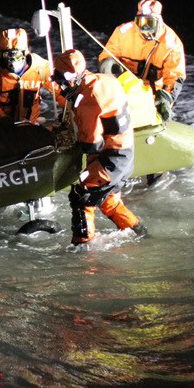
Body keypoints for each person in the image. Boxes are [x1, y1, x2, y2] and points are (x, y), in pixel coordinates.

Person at [53, 48, 147, 244]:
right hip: (125, 153)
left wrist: (69, 139)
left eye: (61, 82)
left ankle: (82, 246)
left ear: (72, 79)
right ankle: (139, 233)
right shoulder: (104, 80)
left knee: (81, 195)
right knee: (109, 200)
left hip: (109, 158)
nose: (60, 87)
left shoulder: (87, 99)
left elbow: (91, 145)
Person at [98, 0, 186, 120]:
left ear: (158, 21)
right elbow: (107, 55)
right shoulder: (123, 32)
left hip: (154, 94)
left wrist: (166, 96)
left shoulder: (171, 43)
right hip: (125, 88)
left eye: (149, 23)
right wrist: (109, 65)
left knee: (154, 121)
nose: (144, 27)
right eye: (140, 22)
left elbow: (174, 75)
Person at [0, 27, 59, 131]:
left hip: (28, 125)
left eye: (17, 55)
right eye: (7, 54)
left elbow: (57, 90)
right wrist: (0, 119)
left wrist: (67, 111)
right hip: (1, 126)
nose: (12, 59)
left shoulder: (41, 68)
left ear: (25, 53)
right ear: (1, 55)